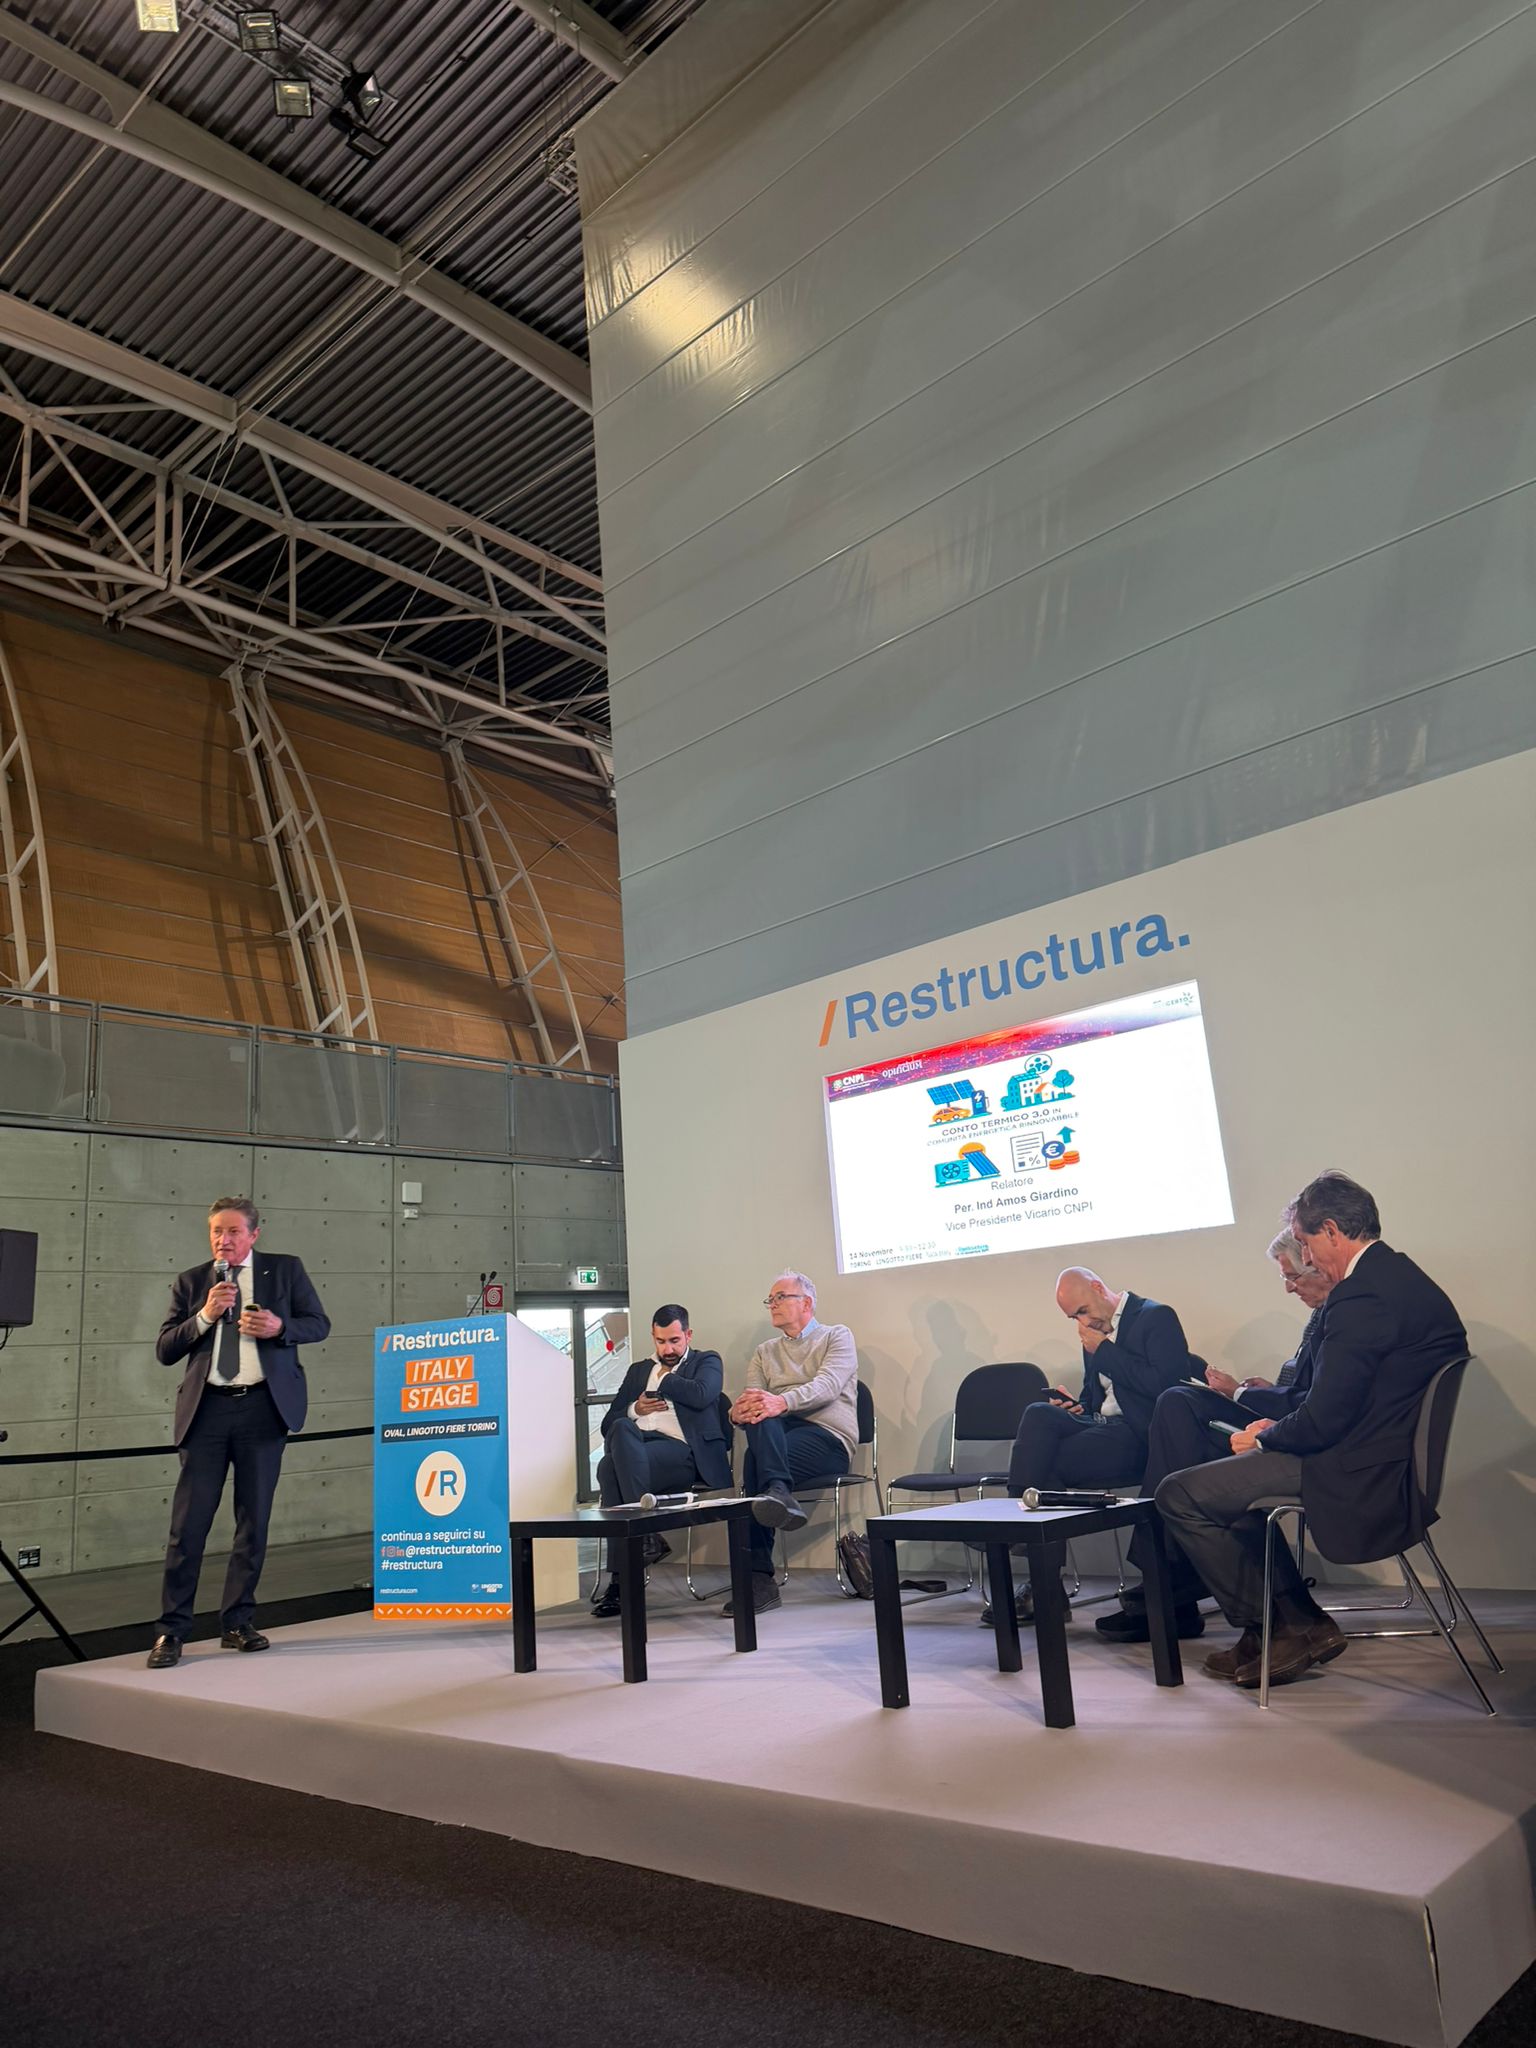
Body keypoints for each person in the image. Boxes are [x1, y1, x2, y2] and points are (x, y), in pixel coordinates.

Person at [1156, 1171, 1467, 1688]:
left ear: (1330, 1231)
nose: (1307, 1257)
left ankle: (1278, 1628)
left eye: (1304, 1244)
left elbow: (1322, 1419)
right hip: (1374, 1456)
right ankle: (1291, 1625)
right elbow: (1336, 1403)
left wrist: (1263, 1437)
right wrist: (1270, 1430)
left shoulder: (1361, 1296)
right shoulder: (1400, 1277)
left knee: (1180, 1494)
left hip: (1359, 1472)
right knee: (1222, 1491)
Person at [1097, 1227, 1331, 1643]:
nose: (1289, 1288)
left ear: (1319, 1263)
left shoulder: (1340, 1315)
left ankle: (1165, 1581)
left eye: (1293, 1276)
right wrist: (1258, 1389)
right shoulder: (1322, 1316)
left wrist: (1239, 1393)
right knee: (1179, 1412)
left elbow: (1315, 1402)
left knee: (1177, 1405)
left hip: (1294, 1433)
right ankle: (1173, 1584)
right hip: (1279, 1415)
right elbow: (1302, 1389)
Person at [147, 1197, 330, 1668]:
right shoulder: (192, 1281)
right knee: (188, 1527)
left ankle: (237, 1622)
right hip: (206, 1412)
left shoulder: (284, 1271)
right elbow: (165, 1349)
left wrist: (279, 1326)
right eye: (216, 1231)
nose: (223, 1240)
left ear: (254, 1235)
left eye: (232, 1232)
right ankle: (171, 1631)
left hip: (262, 1410)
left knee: (253, 1522)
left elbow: (318, 1324)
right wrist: (205, 1316)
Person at [981, 1268, 1193, 1623]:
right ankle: (1026, 1540)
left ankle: (1036, 1570)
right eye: (1073, 1317)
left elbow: (1168, 1386)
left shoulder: (1155, 1317)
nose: (1081, 1322)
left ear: (1098, 1288)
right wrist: (1075, 1406)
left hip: (1142, 1435)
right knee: (1039, 1414)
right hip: (1103, 1428)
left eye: (1082, 1311)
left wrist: (1105, 1351)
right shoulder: (1094, 1335)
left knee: (1042, 1463)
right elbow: (1095, 1398)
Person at [724, 1271, 858, 1617]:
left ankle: (759, 1579)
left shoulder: (836, 1336)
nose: (773, 1304)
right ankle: (778, 1490)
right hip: (779, 1436)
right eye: (770, 1299)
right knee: (759, 1421)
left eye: (780, 1297)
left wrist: (779, 1402)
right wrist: (736, 1414)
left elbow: (828, 1386)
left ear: (807, 1303)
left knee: (755, 1460)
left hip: (828, 1439)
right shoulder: (764, 1351)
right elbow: (754, 1400)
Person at [589, 1305, 729, 1617]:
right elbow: (607, 1424)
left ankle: (623, 1580)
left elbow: (702, 1394)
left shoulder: (706, 1361)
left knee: (609, 1469)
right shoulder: (638, 1371)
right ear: (653, 1337)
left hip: (682, 1453)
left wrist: (664, 1378)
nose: (668, 1349)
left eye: (674, 1341)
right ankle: (645, 1537)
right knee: (617, 1441)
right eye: (661, 1341)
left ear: (688, 1335)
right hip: (638, 1449)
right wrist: (635, 1409)